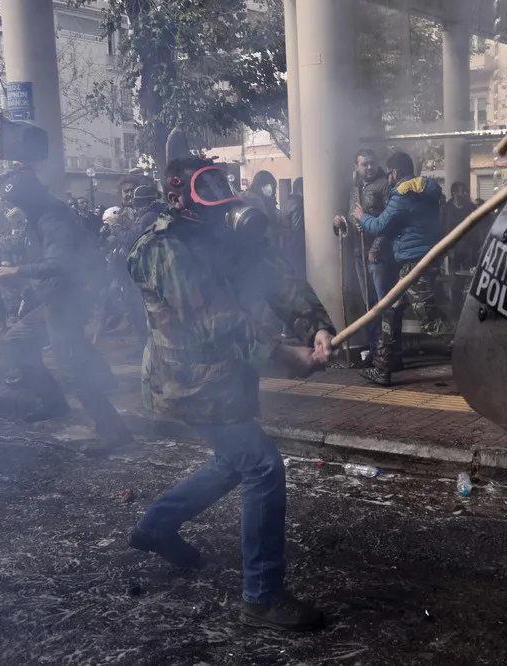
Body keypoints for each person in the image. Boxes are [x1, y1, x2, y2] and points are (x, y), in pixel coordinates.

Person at [126, 156, 336, 632]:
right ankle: (262, 597)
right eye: (211, 208)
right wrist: (287, 358)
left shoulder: (222, 233)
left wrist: (316, 326)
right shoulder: (164, 249)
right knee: (262, 466)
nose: (223, 217)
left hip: (228, 378)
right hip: (188, 382)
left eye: (225, 207)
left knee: (231, 462)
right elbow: (215, 323)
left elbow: (280, 282)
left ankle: (156, 527)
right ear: (176, 198)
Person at [0, 169, 132, 451]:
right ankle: (53, 402)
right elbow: (20, 245)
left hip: (68, 299)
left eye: (8, 199)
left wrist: (16, 270)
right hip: (50, 297)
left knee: (72, 366)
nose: (7, 206)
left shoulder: (52, 218)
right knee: (17, 343)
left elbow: (60, 263)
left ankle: (114, 432)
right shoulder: (36, 216)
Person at [356, 151, 451, 386]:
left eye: (389, 174)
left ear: (394, 173)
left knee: (431, 320)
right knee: (391, 311)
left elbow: (380, 225)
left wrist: (362, 217)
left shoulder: (402, 193)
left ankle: (476, 356)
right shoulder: (425, 190)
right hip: (422, 259)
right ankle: (382, 368)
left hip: (414, 263)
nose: (388, 178)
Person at [334, 149, 395, 361]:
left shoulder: (385, 184)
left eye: (371, 163)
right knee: (368, 303)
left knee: (382, 303)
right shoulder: (354, 189)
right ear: (356, 167)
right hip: (358, 251)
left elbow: (390, 220)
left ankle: (389, 352)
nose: (369, 168)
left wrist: (376, 248)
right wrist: (342, 223)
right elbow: (352, 219)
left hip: (378, 254)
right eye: (364, 164)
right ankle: (374, 347)